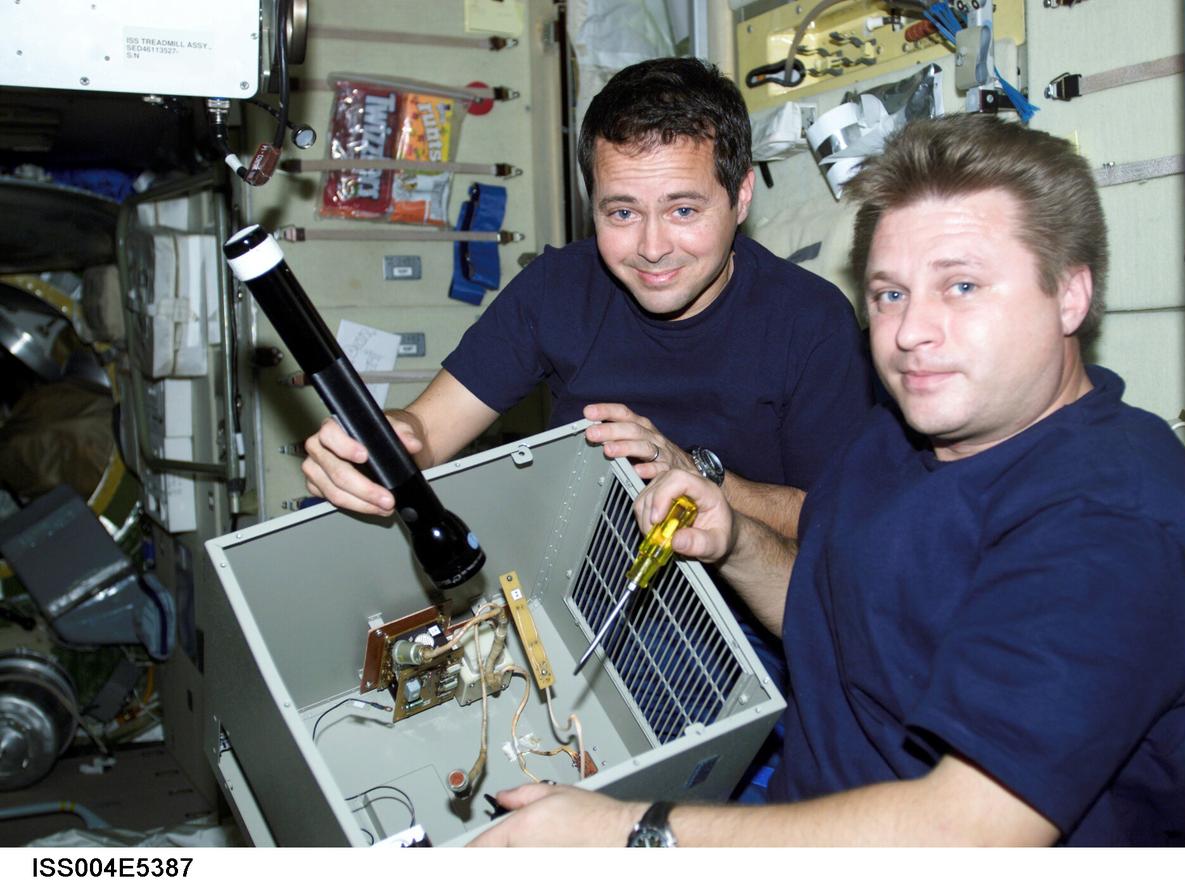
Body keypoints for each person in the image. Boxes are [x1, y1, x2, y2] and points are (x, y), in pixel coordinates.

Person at [467, 113, 1185, 846]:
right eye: (890, 293)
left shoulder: (1110, 520)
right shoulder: (899, 437)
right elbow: (830, 616)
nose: (912, 331)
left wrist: (629, 835)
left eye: (961, 285)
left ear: (1070, 293)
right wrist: (736, 539)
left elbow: (967, 834)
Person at [301, 57, 874, 794]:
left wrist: (696, 474)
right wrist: (377, 445)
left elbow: (835, 533)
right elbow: (426, 427)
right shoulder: (559, 289)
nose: (652, 246)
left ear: (741, 194)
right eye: (621, 212)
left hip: (741, 632)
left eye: (684, 209)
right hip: (569, 605)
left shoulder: (813, 323)